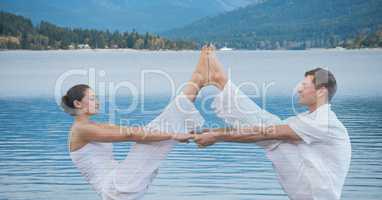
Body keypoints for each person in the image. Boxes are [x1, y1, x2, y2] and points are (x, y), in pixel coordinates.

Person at [194, 46, 352, 200]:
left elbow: (263, 133)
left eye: (304, 85)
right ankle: (220, 81)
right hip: (306, 193)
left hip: (315, 196)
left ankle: (220, 80)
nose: (299, 90)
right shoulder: (307, 118)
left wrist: (216, 135)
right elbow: (262, 129)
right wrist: (213, 131)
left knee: (271, 132)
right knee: (270, 126)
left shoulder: (324, 122)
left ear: (321, 91)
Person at [61, 46, 215, 200]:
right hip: (115, 188)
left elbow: (131, 130)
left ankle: (198, 80)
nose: (98, 102)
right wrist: (173, 134)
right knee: (159, 130)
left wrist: (175, 132)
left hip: (118, 186)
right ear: (78, 104)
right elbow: (130, 134)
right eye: (93, 98)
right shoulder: (82, 130)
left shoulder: (92, 126)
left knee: (159, 126)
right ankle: (198, 79)